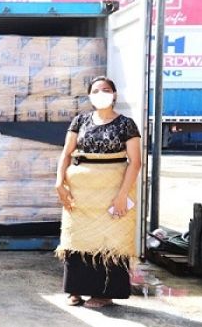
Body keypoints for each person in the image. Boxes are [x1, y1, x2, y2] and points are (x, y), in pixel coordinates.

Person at [54, 76, 142, 308]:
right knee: (77, 237)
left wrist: (123, 194)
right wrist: (59, 182)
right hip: (81, 193)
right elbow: (66, 153)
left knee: (111, 239)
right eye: (96, 90)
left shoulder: (126, 124)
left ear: (114, 94)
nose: (101, 93)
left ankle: (104, 292)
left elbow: (135, 162)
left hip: (113, 189)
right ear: (89, 95)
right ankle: (75, 289)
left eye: (106, 89)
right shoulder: (80, 120)